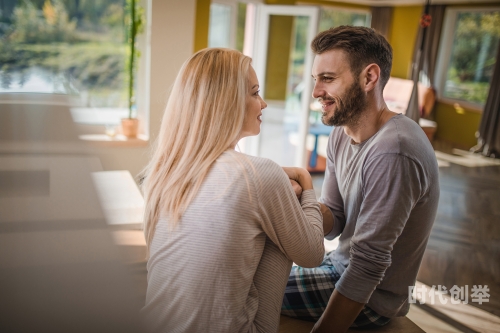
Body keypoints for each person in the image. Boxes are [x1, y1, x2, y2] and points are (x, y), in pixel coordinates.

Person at [140, 48, 326, 333]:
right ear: (224, 102)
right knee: (288, 201)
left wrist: (276, 179)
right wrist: (305, 181)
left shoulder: (164, 173)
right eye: (254, 93)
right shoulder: (257, 174)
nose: (263, 103)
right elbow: (312, 255)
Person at [281, 26, 440, 332]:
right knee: (256, 268)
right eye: (316, 79)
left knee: (246, 287)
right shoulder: (342, 134)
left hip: (373, 298)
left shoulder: (395, 151)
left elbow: (368, 267)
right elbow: (336, 218)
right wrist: (300, 199)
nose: (315, 92)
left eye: (327, 79)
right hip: (340, 265)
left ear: (369, 78)